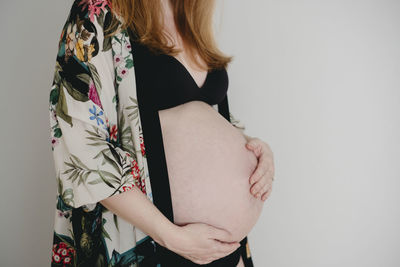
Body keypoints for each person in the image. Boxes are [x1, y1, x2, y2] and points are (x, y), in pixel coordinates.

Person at [48, 0, 275, 266]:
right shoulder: (96, 13)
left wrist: (256, 150)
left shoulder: (191, 15)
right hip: (148, 244)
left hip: (224, 251)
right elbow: (80, 146)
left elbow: (209, 122)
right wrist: (174, 238)